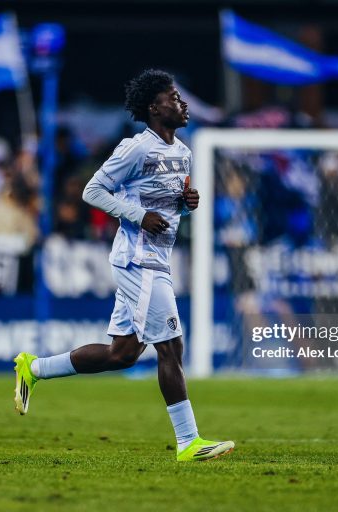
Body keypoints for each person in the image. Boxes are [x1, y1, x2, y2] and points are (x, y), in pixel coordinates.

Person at [13, 69, 234, 462]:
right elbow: (92, 190)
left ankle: (34, 368)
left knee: (123, 354)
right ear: (154, 108)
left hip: (158, 258)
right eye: (174, 97)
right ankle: (188, 442)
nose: (182, 104)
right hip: (139, 259)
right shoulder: (136, 148)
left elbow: (166, 201)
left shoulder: (183, 152)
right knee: (171, 346)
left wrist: (187, 202)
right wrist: (136, 214)